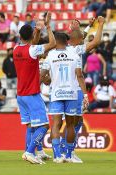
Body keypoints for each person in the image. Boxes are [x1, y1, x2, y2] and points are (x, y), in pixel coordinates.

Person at [13, 12, 55, 164]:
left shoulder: (15, 49)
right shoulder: (32, 50)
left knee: (31, 126)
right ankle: (30, 152)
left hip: (20, 95)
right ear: (31, 36)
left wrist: (36, 30)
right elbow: (52, 44)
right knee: (44, 126)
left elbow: (32, 46)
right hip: (32, 94)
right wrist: (48, 27)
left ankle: (27, 152)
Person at [41, 32, 88, 163]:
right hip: (72, 94)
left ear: (56, 41)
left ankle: (57, 155)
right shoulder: (74, 55)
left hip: (56, 94)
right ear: (66, 41)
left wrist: (47, 80)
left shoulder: (50, 55)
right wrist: (85, 94)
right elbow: (80, 76)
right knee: (70, 125)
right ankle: (68, 155)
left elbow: (42, 75)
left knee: (56, 124)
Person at [64, 16, 105, 162]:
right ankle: (68, 151)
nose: (83, 37)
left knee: (73, 121)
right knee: (75, 122)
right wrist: (100, 25)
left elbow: (79, 38)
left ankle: (65, 150)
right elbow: (96, 41)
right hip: (75, 89)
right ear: (78, 39)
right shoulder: (77, 50)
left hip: (64, 89)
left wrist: (87, 26)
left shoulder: (66, 48)